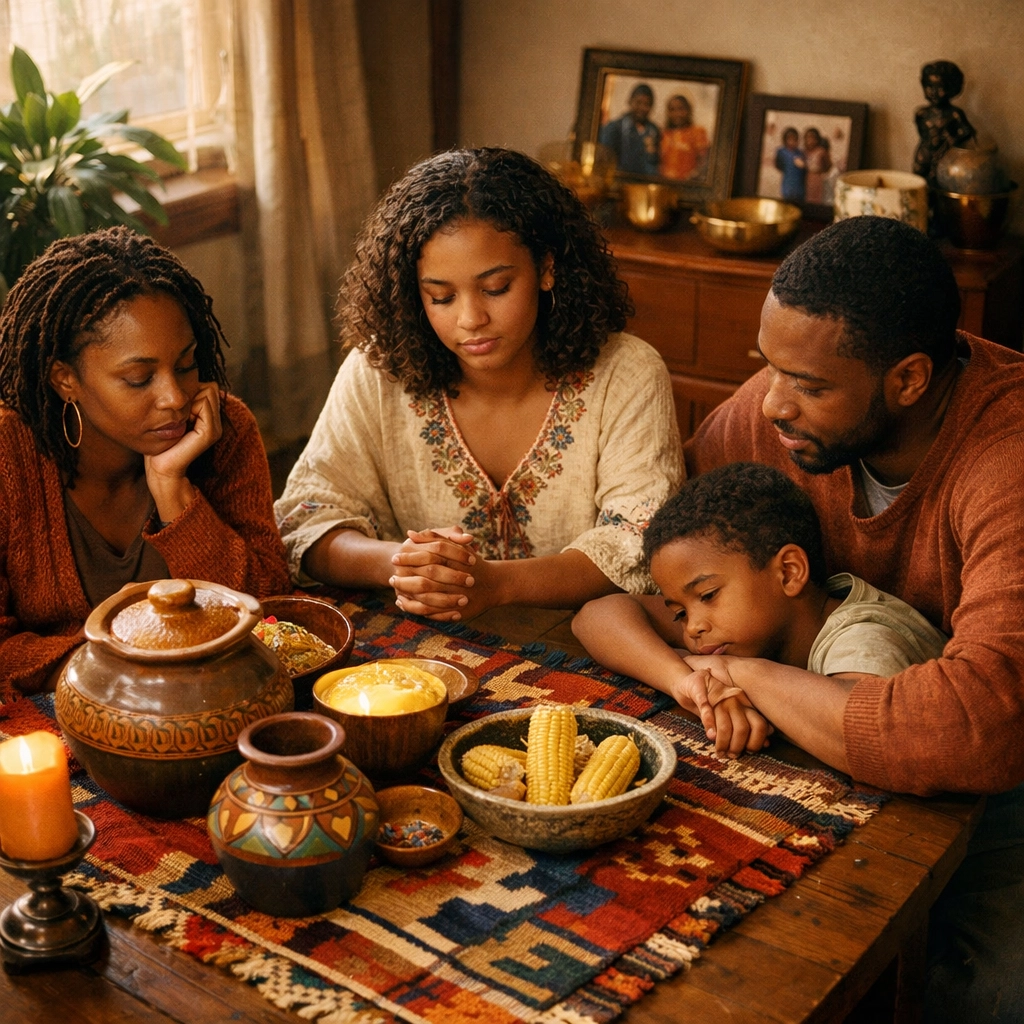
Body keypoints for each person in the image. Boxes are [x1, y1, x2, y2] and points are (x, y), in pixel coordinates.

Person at [661, 215, 1022, 1024]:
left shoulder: (1008, 457)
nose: (772, 402)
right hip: (849, 760)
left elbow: (981, 725)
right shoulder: (771, 411)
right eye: (768, 368)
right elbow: (659, 568)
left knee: (976, 994)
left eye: (811, 386)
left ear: (909, 379)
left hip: (1001, 797)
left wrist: (751, 672)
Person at [275, 148, 682, 622]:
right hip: (410, 654)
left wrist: (496, 584)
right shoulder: (378, 372)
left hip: (584, 655)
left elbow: (639, 544)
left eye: (496, 289)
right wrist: (407, 566)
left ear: (546, 268)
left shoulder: (627, 374)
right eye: (441, 297)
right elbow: (306, 520)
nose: (471, 319)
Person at [0, 227, 290, 702]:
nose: (174, 398)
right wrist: (128, 663)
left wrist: (174, 491)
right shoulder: (10, 455)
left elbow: (271, 609)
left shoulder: (222, 431)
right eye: (138, 379)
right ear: (64, 379)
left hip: (211, 705)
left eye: (185, 364)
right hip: (57, 719)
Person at [573, 462, 947, 758]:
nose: (693, 628)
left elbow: (865, 735)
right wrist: (683, 681)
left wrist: (732, 672)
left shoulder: (864, 636)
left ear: (788, 573)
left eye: (708, 595)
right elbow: (597, 615)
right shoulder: (737, 630)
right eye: (679, 612)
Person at [913, 59, 976, 185]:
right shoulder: (921, 113)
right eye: (929, 86)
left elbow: (968, 132)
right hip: (924, 153)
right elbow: (922, 133)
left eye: (939, 87)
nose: (933, 92)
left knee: (942, 182)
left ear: (951, 89)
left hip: (946, 156)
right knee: (918, 179)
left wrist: (952, 139)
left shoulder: (954, 114)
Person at [598, 83, 661, 176]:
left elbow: (654, 163)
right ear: (630, 101)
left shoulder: (653, 130)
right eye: (638, 102)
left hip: (645, 185)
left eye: (647, 104)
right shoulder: (614, 127)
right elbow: (605, 160)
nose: (642, 108)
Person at [658, 94, 709, 182]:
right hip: (664, 184)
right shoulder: (663, 134)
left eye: (681, 109)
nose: (677, 114)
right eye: (672, 110)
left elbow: (704, 162)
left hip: (688, 184)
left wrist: (693, 177)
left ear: (688, 110)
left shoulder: (697, 132)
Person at [774, 127, 806, 201]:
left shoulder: (800, 153)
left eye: (794, 139)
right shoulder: (781, 151)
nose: (792, 142)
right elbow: (778, 165)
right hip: (788, 183)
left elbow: (804, 170)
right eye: (789, 139)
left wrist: (802, 165)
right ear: (785, 140)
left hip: (799, 185)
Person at [802, 127, 832, 204]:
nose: (810, 141)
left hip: (817, 179)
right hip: (805, 178)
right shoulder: (803, 152)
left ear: (817, 139)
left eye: (813, 138)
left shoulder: (821, 151)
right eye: (808, 138)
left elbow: (828, 165)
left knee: (816, 200)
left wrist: (821, 172)